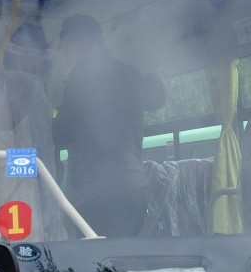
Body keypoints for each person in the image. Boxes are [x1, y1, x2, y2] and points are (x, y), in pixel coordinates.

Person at [52, 14, 166, 237]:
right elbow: (158, 98)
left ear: (76, 43)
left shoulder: (81, 75)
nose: (65, 54)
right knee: (127, 258)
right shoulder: (130, 73)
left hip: (97, 191)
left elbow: (60, 133)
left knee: (97, 265)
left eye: (65, 47)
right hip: (134, 186)